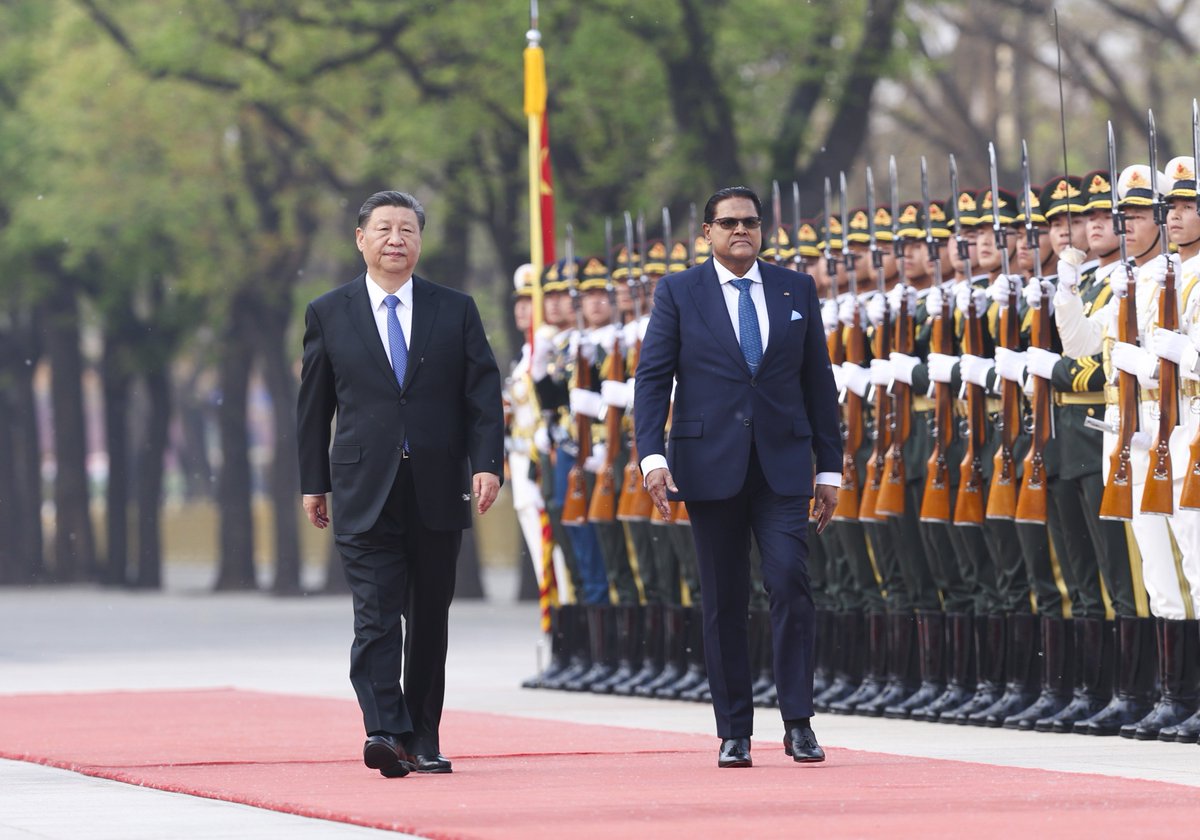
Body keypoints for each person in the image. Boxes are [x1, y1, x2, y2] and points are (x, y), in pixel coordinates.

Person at [297, 190, 505, 778]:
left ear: (420, 240)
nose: (396, 239)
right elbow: (313, 407)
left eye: (407, 230)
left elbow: (482, 394)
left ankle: (425, 735)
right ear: (360, 238)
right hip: (363, 487)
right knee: (376, 615)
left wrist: (488, 462)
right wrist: (314, 481)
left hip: (437, 486)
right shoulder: (328, 312)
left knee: (429, 618)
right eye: (384, 229)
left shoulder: (455, 308)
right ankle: (385, 730)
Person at [634, 186, 841, 768]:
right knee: (724, 599)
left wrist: (830, 468)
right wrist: (652, 458)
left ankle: (798, 721)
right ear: (707, 234)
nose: (741, 231)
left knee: (789, 583)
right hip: (708, 466)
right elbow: (653, 379)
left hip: (782, 465)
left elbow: (816, 379)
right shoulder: (678, 292)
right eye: (728, 223)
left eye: (750, 222)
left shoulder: (794, 287)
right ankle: (734, 730)